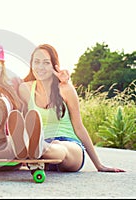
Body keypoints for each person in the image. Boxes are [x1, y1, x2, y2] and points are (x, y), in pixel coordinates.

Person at [12, 43, 125, 172]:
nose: (40, 67)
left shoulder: (65, 89)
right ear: (31, 64)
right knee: (45, 145)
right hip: (44, 150)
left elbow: (79, 127)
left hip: (69, 147)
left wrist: (99, 165)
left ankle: (38, 147)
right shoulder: (25, 89)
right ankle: (33, 148)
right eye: (36, 62)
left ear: (55, 65)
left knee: (59, 146)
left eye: (46, 63)